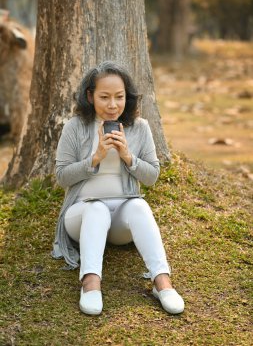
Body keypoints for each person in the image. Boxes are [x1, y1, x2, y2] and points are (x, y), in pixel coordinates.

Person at [52, 61, 184, 316]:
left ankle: (162, 282)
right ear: (90, 96)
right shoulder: (75, 127)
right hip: (82, 215)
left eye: (119, 97)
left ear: (128, 97)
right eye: (104, 97)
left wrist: (128, 156)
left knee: (139, 205)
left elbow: (152, 176)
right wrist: (94, 158)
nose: (112, 105)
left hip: (122, 221)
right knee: (96, 209)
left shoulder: (140, 128)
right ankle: (90, 283)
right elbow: (62, 177)